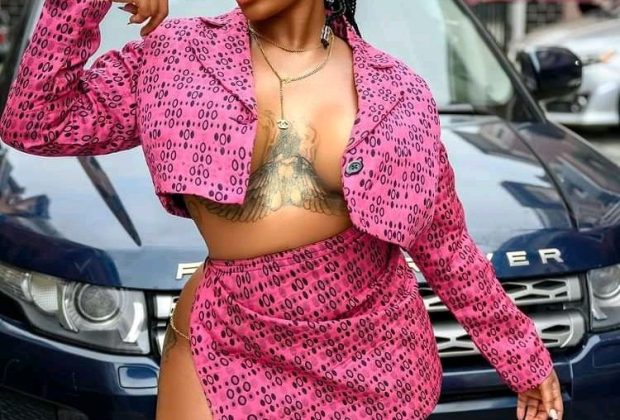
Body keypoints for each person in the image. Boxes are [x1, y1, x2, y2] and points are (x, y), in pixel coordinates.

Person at [0, 0, 564, 419]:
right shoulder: (175, 56)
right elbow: (35, 122)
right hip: (224, 342)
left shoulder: (398, 95)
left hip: (370, 358)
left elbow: (445, 245)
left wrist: (523, 357)